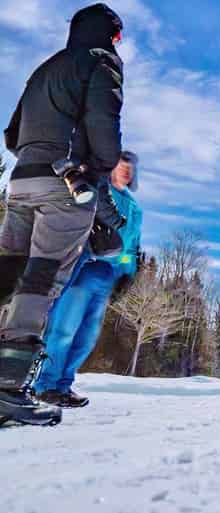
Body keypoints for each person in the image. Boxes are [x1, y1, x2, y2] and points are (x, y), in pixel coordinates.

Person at [0, 4, 126, 426]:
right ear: (109, 34)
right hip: (65, 186)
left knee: (7, 275)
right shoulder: (101, 62)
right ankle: (8, 389)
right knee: (40, 277)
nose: (118, 44)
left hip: (22, 181)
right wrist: (98, 170)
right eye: (118, 36)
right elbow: (103, 127)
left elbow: (12, 134)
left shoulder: (46, 67)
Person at [34, 152, 142, 407]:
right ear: (111, 167)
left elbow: (131, 247)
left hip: (108, 276)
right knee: (64, 328)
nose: (126, 171)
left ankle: (63, 385)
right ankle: (45, 384)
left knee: (86, 337)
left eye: (130, 168)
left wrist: (127, 273)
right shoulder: (101, 191)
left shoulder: (135, 209)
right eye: (121, 165)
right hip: (87, 264)